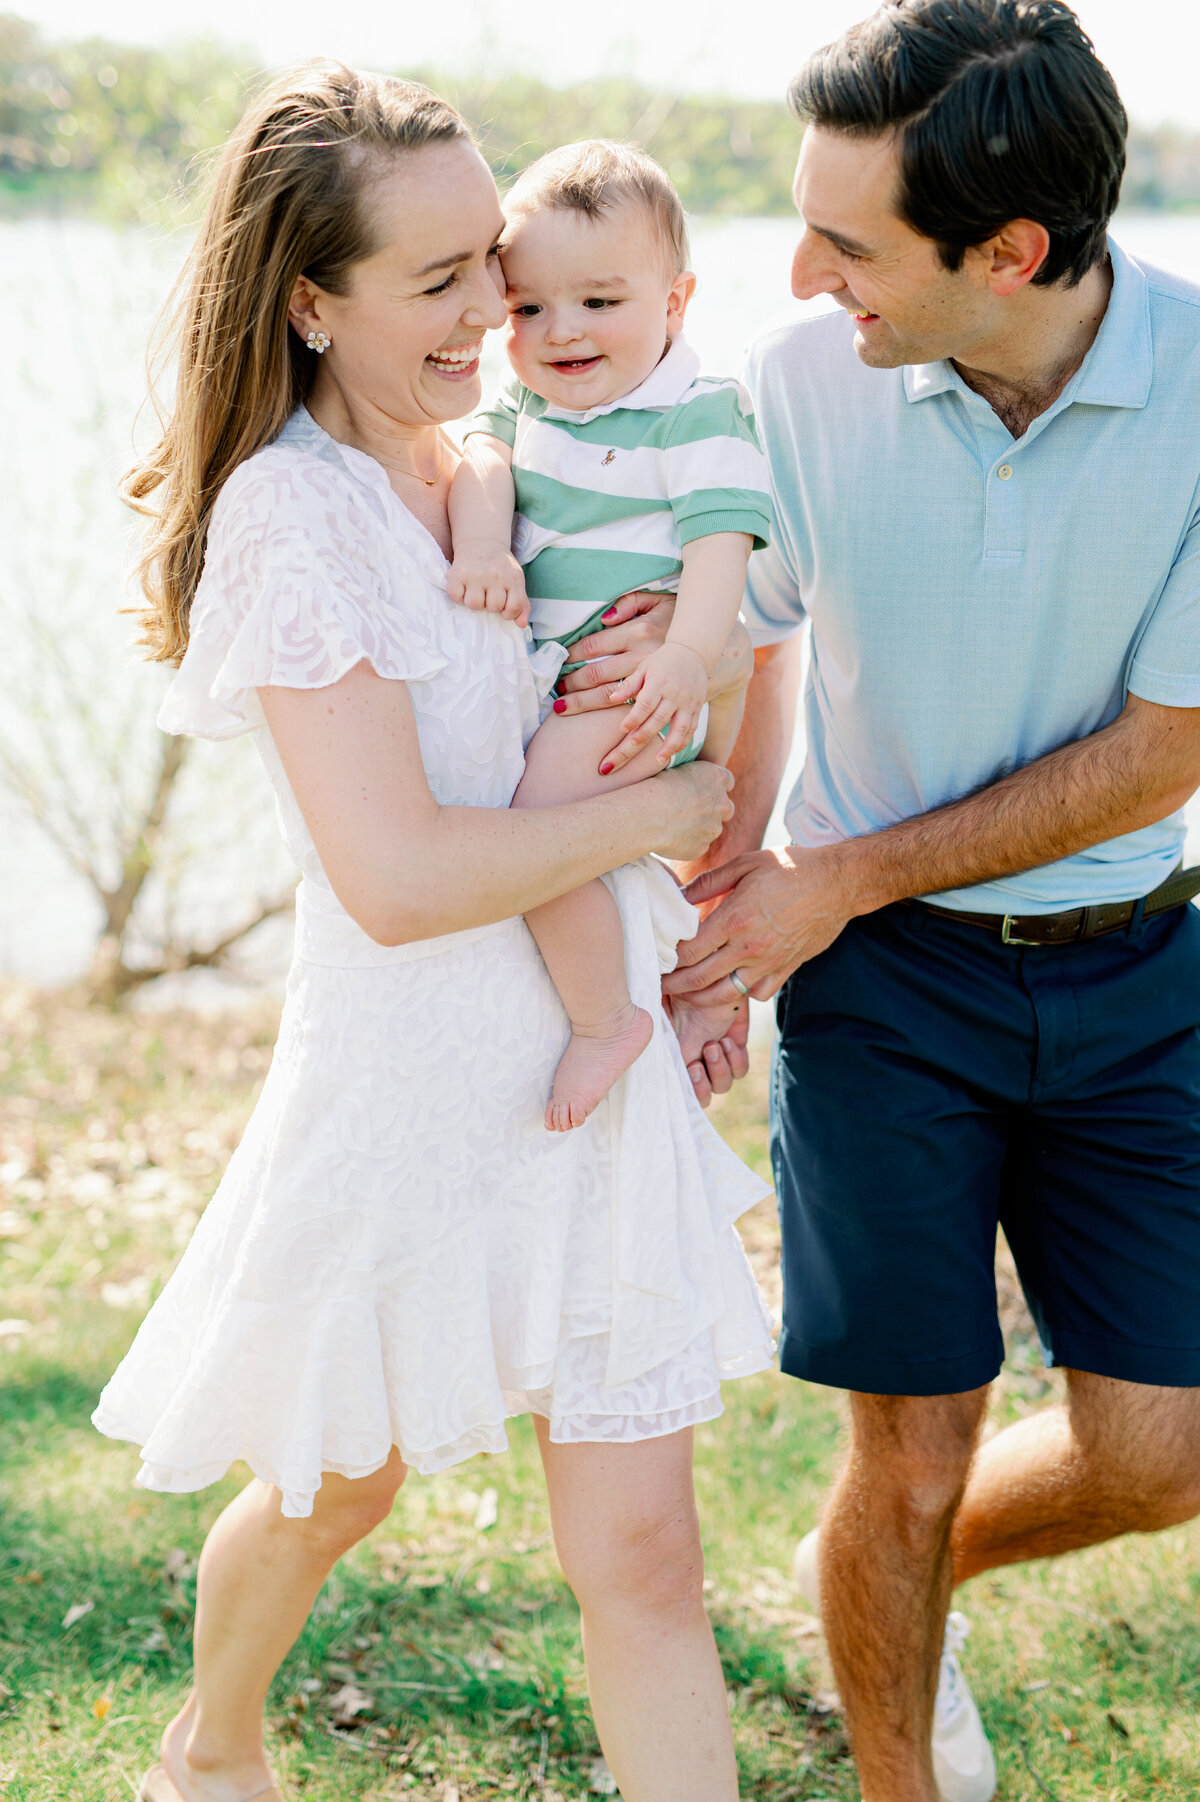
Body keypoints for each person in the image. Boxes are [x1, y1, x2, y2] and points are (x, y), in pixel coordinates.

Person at [91, 63, 774, 1802]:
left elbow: (721, 603)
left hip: (584, 1059)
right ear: (311, 303)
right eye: (443, 281)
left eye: (498, 259)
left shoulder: (498, 463)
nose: (499, 312)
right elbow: (393, 879)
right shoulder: (292, 515)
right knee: (340, 1484)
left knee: (646, 1566)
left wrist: (691, 851)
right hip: (406, 1088)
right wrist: (652, 815)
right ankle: (211, 1740)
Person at [651, 2, 1200, 1799]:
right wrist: (707, 857)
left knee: (1163, 1450)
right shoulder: (809, 382)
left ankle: (910, 1593)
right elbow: (740, 633)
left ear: (1014, 252)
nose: (806, 275)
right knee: (905, 1458)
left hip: (1135, 970)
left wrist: (841, 870)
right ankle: (902, 1763)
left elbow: (1160, 754)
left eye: (852, 240)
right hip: (880, 991)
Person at [447, 139, 771, 1131]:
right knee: (559, 835)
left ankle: (603, 1020)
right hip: (555, 681)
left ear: (675, 301)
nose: (561, 330)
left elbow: (721, 541)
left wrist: (684, 654)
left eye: (599, 301)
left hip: (632, 685)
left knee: (539, 834)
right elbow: (480, 461)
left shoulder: (696, 410)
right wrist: (484, 546)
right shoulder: (526, 401)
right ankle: (674, 980)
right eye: (530, 307)